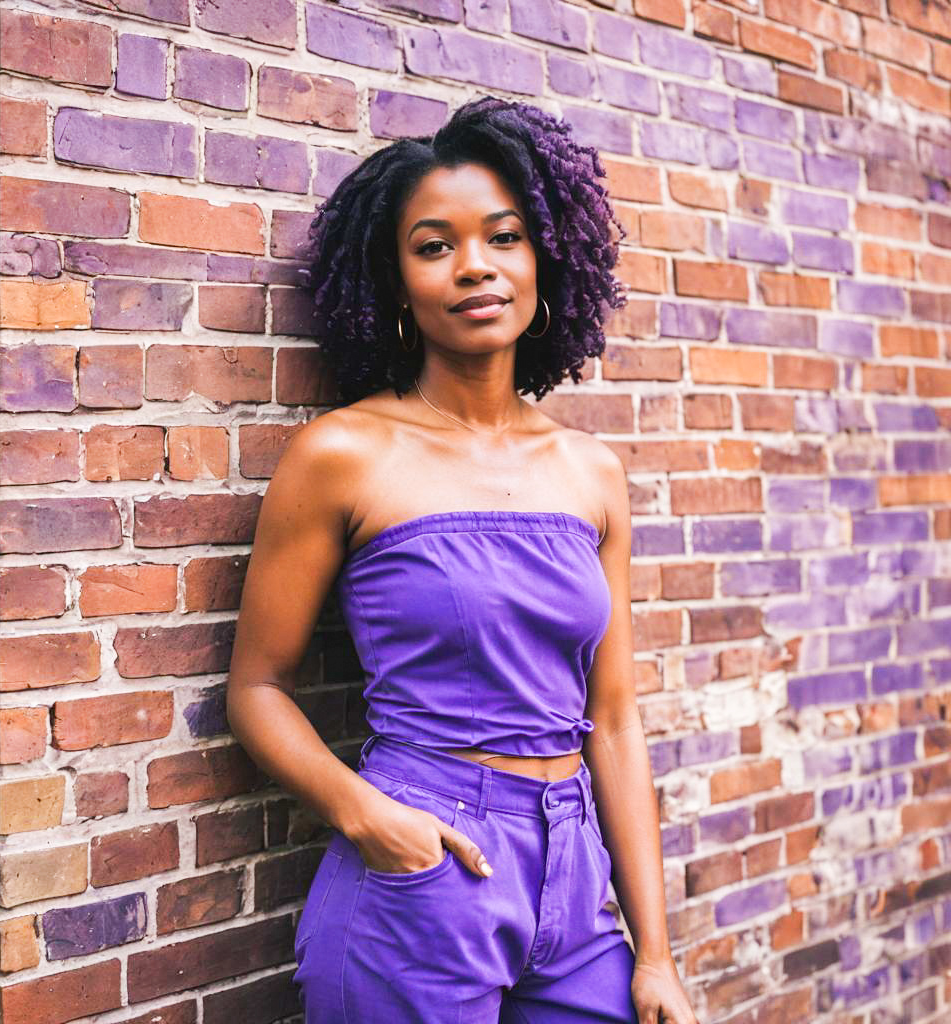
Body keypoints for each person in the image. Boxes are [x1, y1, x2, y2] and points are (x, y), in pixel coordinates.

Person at [227, 96, 700, 1024]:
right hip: (425, 859)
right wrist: (369, 817)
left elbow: (612, 719)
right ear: (396, 283)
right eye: (434, 246)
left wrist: (658, 955)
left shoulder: (591, 472)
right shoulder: (344, 455)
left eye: (504, 237)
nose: (475, 265)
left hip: (574, 873)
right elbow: (257, 687)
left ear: (543, 260)